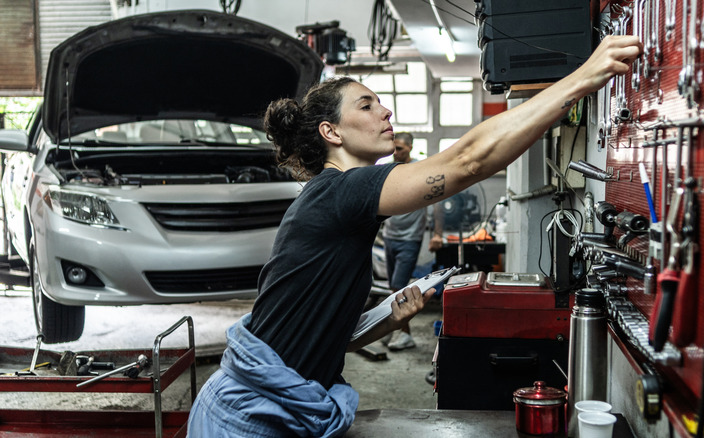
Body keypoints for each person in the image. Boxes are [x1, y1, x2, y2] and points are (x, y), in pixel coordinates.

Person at [187, 35, 642, 437]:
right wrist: (586, 76)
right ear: (332, 132)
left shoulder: (337, 201)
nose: (385, 111)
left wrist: (387, 320)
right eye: (366, 105)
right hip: (243, 418)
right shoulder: (339, 191)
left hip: (277, 406)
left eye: (380, 102)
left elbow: (316, 339)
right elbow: (468, 162)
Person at [381, 132, 443, 351]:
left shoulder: (420, 170)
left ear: (410, 147)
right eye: (393, 148)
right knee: (391, 287)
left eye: (400, 148)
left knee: (398, 287)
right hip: (390, 236)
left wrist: (437, 233)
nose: (395, 152)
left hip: (410, 239)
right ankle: (395, 329)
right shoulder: (390, 169)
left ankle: (406, 334)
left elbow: (436, 203)